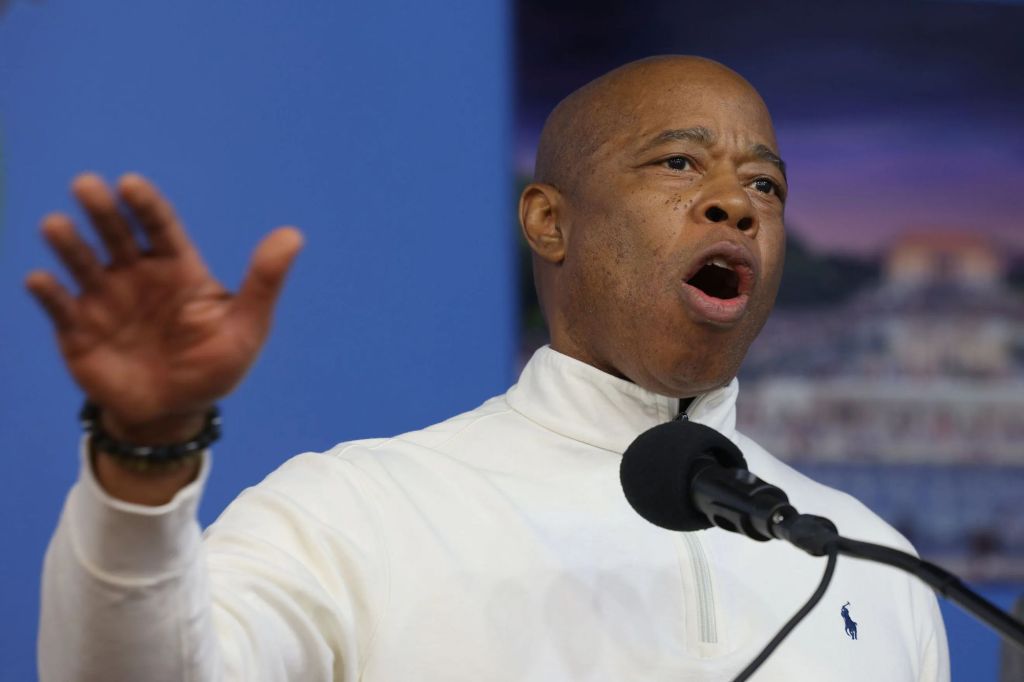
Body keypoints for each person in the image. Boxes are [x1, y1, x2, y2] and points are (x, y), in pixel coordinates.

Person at [30, 56, 949, 681]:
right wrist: (144, 455)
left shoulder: (874, 564)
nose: (735, 206)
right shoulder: (352, 513)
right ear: (549, 221)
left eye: (766, 186)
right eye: (679, 163)